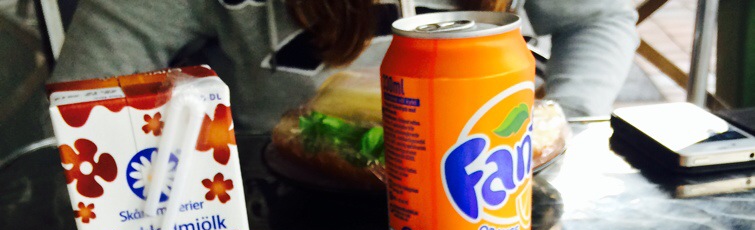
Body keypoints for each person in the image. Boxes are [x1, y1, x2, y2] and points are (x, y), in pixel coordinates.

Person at [49, 0, 639, 132]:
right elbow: (86, 97)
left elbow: (599, 18)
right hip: (277, 216)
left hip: (489, 186)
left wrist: (571, 120)